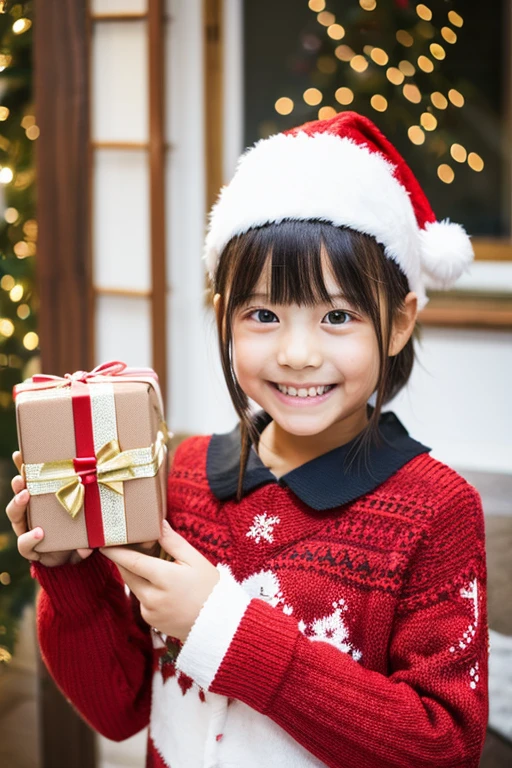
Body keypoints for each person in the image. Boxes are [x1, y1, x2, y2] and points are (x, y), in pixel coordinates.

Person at [6, 112, 488, 767]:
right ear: (224, 317)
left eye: (338, 316)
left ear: (399, 323)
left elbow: (443, 747)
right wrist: (70, 572)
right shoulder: (184, 474)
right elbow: (120, 710)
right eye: (262, 315)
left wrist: (224, 630)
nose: (295, 353)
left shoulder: (437, 510)